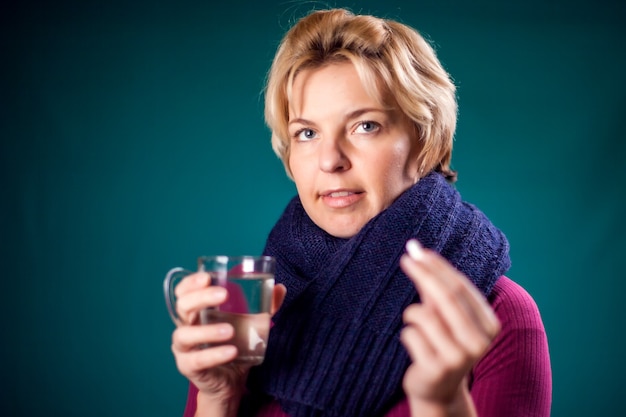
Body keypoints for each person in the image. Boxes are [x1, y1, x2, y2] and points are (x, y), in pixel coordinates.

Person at [169, 8, 552, 417]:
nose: (330, 160)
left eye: (365, 126)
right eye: (307, 133)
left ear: (426, 143)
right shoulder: (251, 308)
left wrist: (442, 404)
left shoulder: (497, 315)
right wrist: (217, 398)